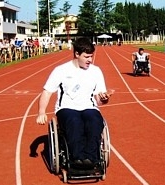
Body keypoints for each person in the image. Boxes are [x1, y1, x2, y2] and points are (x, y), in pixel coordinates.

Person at [36, 37, 113, 167]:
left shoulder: (96, 71)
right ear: (77, 54)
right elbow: (47, 91)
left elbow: (99, 100)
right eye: (86, 57)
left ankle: (91, 158)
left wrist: (104, 99)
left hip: (89, 107)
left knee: (95, 120)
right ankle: (77, 158)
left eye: (91, 56)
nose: (90, 60)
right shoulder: (61, 70)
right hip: (66, 108)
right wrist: (41, 112)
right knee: (74, 121)